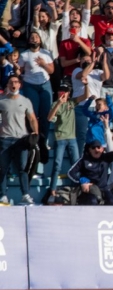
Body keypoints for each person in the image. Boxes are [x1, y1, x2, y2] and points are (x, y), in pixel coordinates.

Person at [0, 76, 39, 205]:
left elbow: (32, 118)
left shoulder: (26, 101)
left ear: (20, 85)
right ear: (7, 85)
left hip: (21, 139)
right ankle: (3, 196)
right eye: (11, 82)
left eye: (16, 82)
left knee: (23, 168)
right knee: (3, 168)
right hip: (5, 138)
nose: (13, 84)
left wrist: (35, 134)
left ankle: (25, 194)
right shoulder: (1, 101)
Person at [47, 83, 79, 199]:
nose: (63, 92)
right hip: (60, 138)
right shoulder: (55, 104)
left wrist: (86, 85)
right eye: (61, 90)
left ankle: (76, 189)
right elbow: (50, 118)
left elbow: (85, 96)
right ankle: (52, 190)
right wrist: (59, 103)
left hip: (72, 138)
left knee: (76, 164)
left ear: (68, 93)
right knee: (57, 165)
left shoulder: (71, 102)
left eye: (65, 91)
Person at [67, 139, 113, 205]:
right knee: (93, 201)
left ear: (102, 149)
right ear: (89, 150)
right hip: (89, 190)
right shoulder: (84, 160)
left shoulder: (106, 158)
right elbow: (70, 173)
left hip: (104, 188)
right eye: (93, 148)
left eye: (98, 147)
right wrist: (81, 181)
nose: (96, 150)